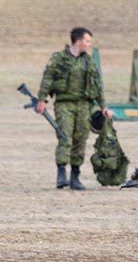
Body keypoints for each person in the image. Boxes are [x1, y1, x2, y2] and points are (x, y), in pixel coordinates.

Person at [36, 27, 112, 190]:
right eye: (87, 41)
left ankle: (75, 176)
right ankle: (61, 174)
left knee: (81, 139)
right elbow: (47, 78)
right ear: (78, 41)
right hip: (64, 103)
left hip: (84, 105)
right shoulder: (59, 58)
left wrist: (104, 106)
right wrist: (42, 100)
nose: (89, 44)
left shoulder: (89, 61)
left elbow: (97, 85)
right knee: (65, 136)